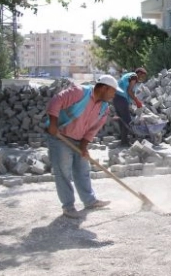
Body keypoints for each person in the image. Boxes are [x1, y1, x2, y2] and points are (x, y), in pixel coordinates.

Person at [45, 75, 123, 219]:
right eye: (112, 91)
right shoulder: (79, 92)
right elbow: (56, 101)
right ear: (104, 88)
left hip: (78, 139)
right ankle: (68, 207)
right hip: (60, 135)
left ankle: (90, 201)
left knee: (82, 170)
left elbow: (92, 130)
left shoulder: (104, 109)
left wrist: (84, 146)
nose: (113, 95)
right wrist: (53, 124)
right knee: (63, 171)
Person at [112, 68, 147, 146]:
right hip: (121, 98)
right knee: (127, 120)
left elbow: (128, 92)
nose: (142, 78)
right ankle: (125, 142)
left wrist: (133, 102)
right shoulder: (134, 76)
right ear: (139, 73)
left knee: (121, 120)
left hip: (115, 98)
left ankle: (123, 140)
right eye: (142, 76)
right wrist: (137, 101)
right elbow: (129, 91)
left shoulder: (127, 75)